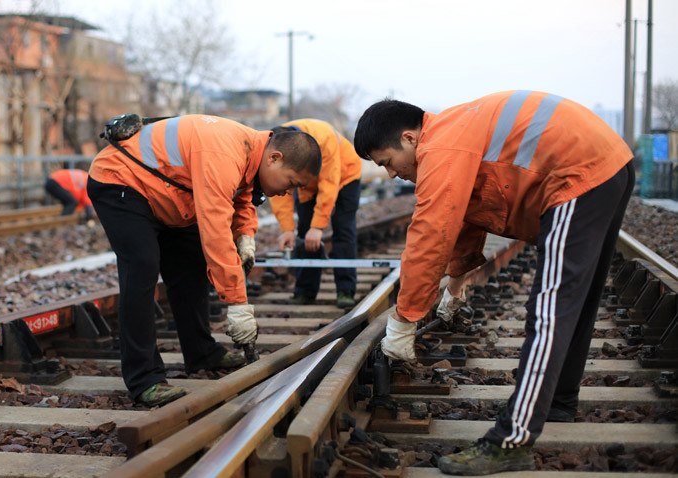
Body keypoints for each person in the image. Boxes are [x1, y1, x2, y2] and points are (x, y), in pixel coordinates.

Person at [354, 91, 633, 475]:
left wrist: (404, 320)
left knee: (549, 310)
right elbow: (466, 216)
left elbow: (432, 231)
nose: (390, 173)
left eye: (387, 162)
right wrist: (455, 284)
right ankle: (558, 403)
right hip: (604, 164)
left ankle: (510, 441)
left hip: (576, 172)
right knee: (576, 301)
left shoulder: (442, 145)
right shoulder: (455, 133)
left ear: (409, 138)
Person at [88, 115, 321, 407]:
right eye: (290, 182)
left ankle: (201, 353)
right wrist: (237, 304)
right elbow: (215, 231)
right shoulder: (224, 152)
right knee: (142, 268)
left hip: (168, 193)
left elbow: (243, 193)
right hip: (121, 180)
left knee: (190, 265)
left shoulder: (251, 149)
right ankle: (143, 378)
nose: (286, 192)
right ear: (275, 158)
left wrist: (246, 235)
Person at [269, 119, 362, 308]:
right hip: (307, 184)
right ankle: (305, 291)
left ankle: (345, 290)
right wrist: (287, 229)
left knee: (343, 230)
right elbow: (278, 188)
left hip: (345, 176)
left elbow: (329, 182)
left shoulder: (323, 137)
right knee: (304, 233)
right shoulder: (276, 143)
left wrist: (318, 226)